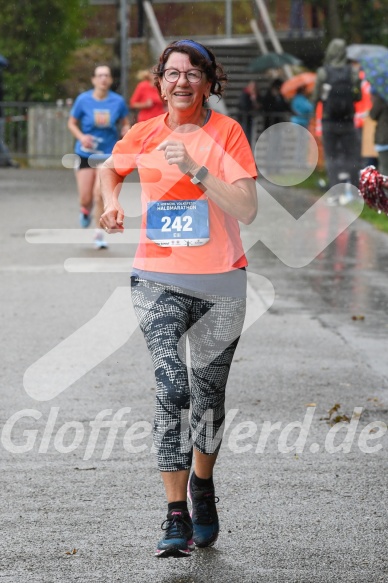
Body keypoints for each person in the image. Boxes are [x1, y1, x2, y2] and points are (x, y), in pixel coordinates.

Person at [99, 39, 257, 557]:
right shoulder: (142, 131)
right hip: (157, 279)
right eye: (172, 73)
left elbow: (247, 208)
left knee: (208, 397)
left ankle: (203, 489)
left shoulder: (229, 133)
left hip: (221, 282)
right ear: (159, 81)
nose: (182, 81)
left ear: (210, 82)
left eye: (193, 73)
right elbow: (109, 167)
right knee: (172, 388)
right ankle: (174, 515)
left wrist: (196, 167)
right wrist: (110, 203)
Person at [68, 65, 129, 249]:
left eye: (107, 75)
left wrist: (126, 130)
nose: (103, 79)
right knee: (85, 198)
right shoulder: (83, 100)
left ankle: (98, 234)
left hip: (107, 155)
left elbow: (125, 123)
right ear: (93, 80)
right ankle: (85, 211)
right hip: (85, 154)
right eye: (100, 75)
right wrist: (81, 137)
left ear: (110, 80)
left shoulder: (117, 102)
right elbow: (71, 123)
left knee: (99, 195)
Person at [311, 38, 361, 203]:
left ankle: (335, 193)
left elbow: (316, 97)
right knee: (351, 156)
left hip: (329, 121)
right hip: (348, 121)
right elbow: (358, 96)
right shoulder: (352, 72)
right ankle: (353, 192)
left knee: (331, 157)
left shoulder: (323, 72)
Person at [237, 80, 262, 145]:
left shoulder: (256, 95)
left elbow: (261, 104)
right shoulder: (245, 94)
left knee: (249, 136)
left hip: (250, 119)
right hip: (244, 119)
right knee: (245, 135)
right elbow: (244, 106)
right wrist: (252, 105)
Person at [369, 91, 388, 176]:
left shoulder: (382, 97)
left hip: (384, 138)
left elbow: (373, 115)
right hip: (384, 137)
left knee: (385, 168)